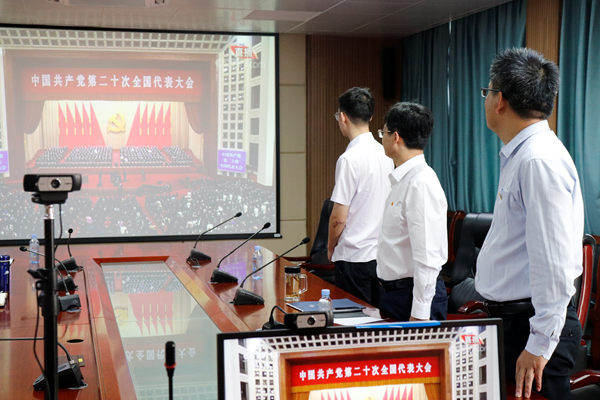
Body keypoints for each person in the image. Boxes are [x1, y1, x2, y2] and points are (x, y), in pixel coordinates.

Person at [475, 48, 583, 400]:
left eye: (487, 91)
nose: (486, 99)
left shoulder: (538, 160)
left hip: (531, 328)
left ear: (500, 100)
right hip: (516, 322)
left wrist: (538, 344)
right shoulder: (523, 154)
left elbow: (554, 265)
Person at [376, 102, 448, 322]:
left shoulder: (421, 183)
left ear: (395, 137)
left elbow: (427, 257)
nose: (382, 138)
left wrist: (419, 314)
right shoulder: (403, 179)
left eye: (383, 133)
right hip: (394, 294)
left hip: (413, 298)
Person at [327, 87, 394, 305]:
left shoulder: (349, 158)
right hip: (381, 257)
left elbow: (339, 217)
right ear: (371, 116)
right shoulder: (386, 154)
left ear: (343, 117)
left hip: (353, 257)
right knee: (376, 318)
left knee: (354, 320)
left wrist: (330, 247)